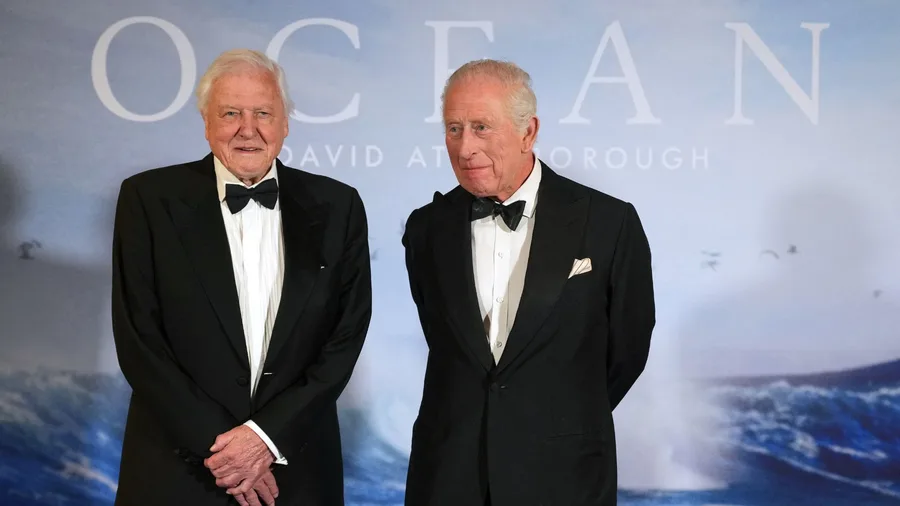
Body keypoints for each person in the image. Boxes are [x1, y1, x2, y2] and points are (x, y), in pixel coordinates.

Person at [111, 49, 372, 506]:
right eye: (230, 113)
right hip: (177, 473)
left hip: (294, 473)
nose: (247, 129)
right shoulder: (148, 200)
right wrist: (226, 452)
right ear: (206, 121)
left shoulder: (339, 206)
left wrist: (265, 439)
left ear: (285, 123)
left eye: (263, 113)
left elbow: (345, 337)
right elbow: (140, 342)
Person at [401, 59, 655, 505]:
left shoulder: (609, 223)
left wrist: (556, 417)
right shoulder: (425, 229)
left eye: (481, 127)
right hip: (448, 476)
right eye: (454, 129)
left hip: (564, 476)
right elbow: (444, 344)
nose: (465, 147)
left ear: (528, 132)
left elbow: (627, 351)